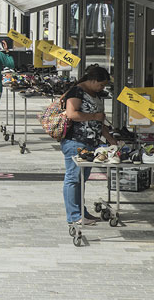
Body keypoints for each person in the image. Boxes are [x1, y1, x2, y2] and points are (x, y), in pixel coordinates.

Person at [60, 64, 116, 226]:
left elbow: (99, 121)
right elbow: (71, 114)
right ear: (92, 80)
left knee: (81, 180)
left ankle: (81, 212)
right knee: (73, 178)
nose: (102, 88)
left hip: (91, 143)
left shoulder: (94, 94)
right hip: (76, 141)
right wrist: (94, 116)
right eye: (101, 84)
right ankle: (74, 216)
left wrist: (110, 139)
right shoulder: (77, 92)